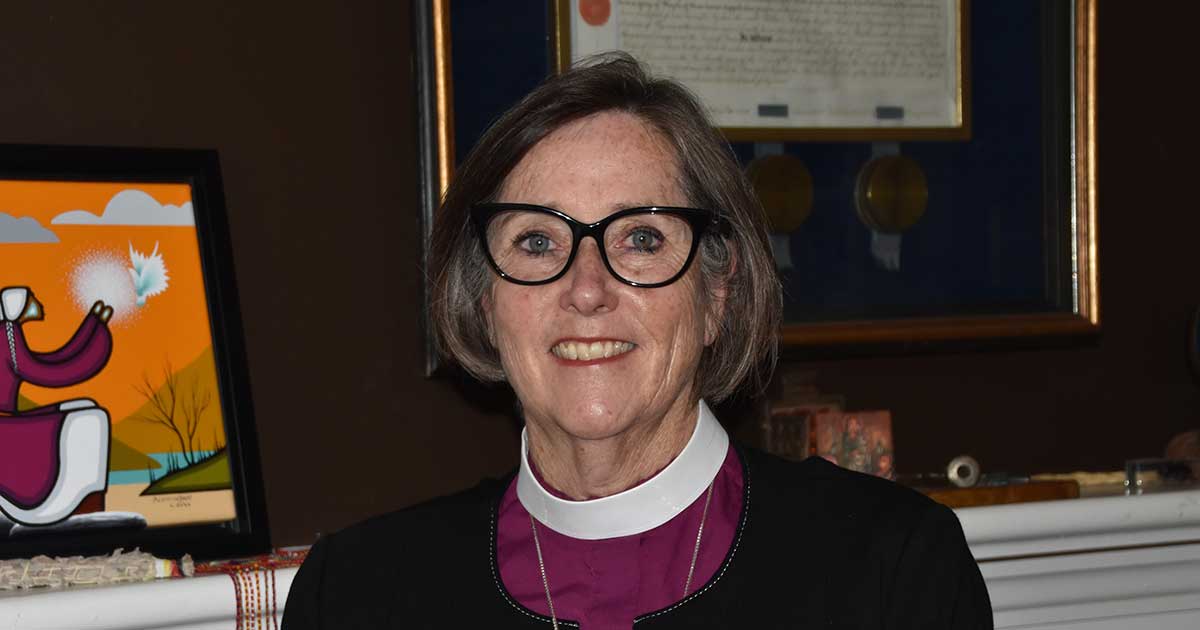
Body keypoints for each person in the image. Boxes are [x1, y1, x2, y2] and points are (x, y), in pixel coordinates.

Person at [282, 54, 992, 629]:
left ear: (717, 294)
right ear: (483, 300)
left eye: (641, 239)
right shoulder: (353, 595)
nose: (586, 289)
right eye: (537, 241)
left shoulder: (892, 570)